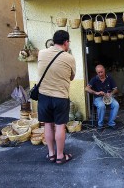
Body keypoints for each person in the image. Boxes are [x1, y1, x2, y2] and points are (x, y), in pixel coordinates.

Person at [38, 30, 76, 164]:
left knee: (47, 125)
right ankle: (60, 156)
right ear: (66, 42)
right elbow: (71, 77)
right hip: (60, 97)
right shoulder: (69, 57)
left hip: (43, 96)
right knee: (60, 126)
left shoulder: (41, 53)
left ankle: (51, 154)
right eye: (68, 42)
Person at [85, 65, 119, 130]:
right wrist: (96, 92)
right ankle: (100, 124)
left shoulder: (110, 78)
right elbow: (86, 89)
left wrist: (111, 93)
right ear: (96, 72)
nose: (100, 74)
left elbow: (115, 89)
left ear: (104, 70)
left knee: (116, 105)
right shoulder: (94, 79)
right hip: (98, 98)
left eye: (101, 72)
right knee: (101, 106)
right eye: (98, 72)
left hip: (108, 97)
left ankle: (111, 123)